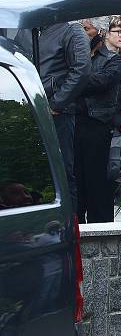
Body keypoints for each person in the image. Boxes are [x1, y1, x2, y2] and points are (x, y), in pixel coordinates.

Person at [15, 20, 91, 209]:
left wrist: (57, 104)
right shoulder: (25, 30)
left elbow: (82, 69)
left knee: (62, 171)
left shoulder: (71, 29)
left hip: (58, 113)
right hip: (29, 109)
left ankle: (70, 225)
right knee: (33, 172)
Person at [75, 16, 121, 223]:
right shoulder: (79, 56)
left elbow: (99, 82)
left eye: (87, 29)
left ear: (100, 32)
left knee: (97, 183)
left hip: (98, 126)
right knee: (77, 182)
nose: (82, 34)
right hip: (75, 123)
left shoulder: (113, 60)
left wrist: (73, 79)